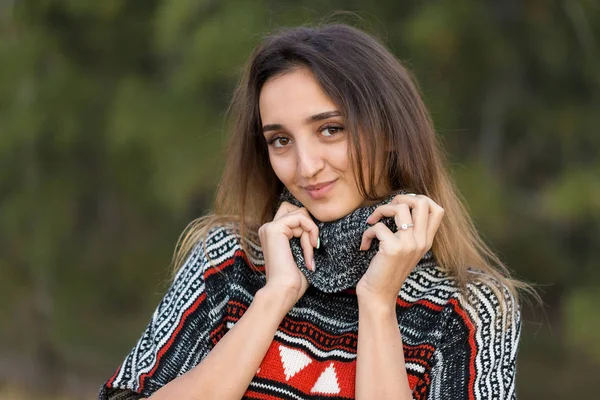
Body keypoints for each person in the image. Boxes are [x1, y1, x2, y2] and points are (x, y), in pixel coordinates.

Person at [99, 23, 529, 400]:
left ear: (391, 132)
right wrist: (273, 297)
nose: (306, 167)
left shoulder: (470, 308)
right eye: (280, 140)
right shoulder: (226, 260)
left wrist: (378, 304)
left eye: (330, 129)